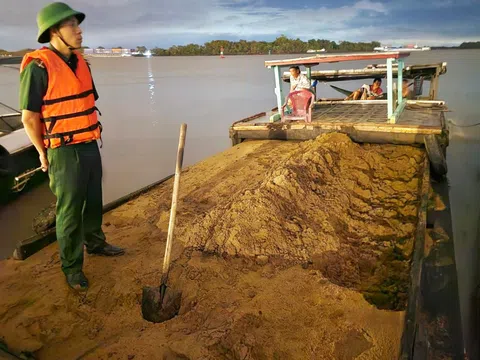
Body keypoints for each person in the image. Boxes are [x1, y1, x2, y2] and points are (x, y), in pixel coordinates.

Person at [19, 2, 125, 291]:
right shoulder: (39, 66)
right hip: (63, 151)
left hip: (89, 143)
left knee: (93, 200)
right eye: (72, 26)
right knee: (68, 211)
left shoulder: (81, 62)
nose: (79, 31)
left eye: (78, 25)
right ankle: (72, 268)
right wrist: (42, 152)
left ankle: (97, 243)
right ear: (54, 31)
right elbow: (28, 117)